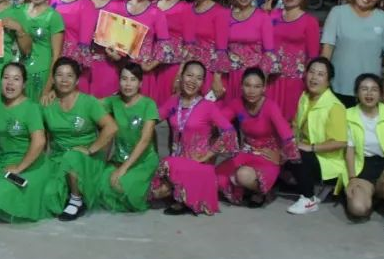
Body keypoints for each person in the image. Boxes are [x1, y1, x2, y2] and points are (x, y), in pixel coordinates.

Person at [150, 60, 237, 215]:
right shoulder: (173, 101)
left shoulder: (208, 106)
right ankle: (181, 193)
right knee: (156, 192)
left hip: (197, 165)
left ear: (203, 83)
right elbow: (153, 119)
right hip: (177, 162)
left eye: (198, 78)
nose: (193, 81)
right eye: (189, 75)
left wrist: (208, 155)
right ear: (181, 76)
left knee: (165, 165)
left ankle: (186, 196)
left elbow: (229, 132)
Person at [0, 62, 65, 222]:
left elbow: (39, 142)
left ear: (24, 84)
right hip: (3, 159)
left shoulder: (31, 108)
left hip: (30, 163)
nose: (10, 83)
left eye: (16, 79)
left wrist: (19, 168)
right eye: (6, 78)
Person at [43, 57, 117, 221]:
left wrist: (90, 149)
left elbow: (111, 127)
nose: (64, 80)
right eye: (59, 75)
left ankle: (77, 200)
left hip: (86, 159)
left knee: (72, 157)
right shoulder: (47, 103)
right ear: (53, 79)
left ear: (77, 80)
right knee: (49, 196)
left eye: (69, 75)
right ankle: (69, 191)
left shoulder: (88, 102)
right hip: (58, 158)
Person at [215, 67, 299, 206]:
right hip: (246, 153)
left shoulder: (270, 107)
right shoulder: (237, 103)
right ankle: (247, 189)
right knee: (216, 178)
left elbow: (286, 133)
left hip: (267, 156)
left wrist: (282, 156)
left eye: (257, 86)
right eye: (247, 85)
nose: (251, 91)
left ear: (264, 88)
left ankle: (263, 191)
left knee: (242, 175)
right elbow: (218, 119)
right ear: (241, 86)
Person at [340, 73, 384, 234]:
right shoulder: (348, 114)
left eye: (374, 89)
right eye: (364, 89)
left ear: (380, 94)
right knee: (358, 210)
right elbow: (349, 149)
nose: (369, 93)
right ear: (357, 93)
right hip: (362, 167)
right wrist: (352, 178)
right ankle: (372, 197)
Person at [320, 0, 384, 107]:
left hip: (369, 91)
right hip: (338, 86)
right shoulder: (337, 13)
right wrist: (322, 80)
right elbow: (327, 49)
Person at [284, 57, 348, 215]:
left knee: (300, 154)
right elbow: (295, 125)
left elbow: (340, 142)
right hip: (307, 152)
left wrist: (310, 147)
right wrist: (288, 143)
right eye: (311, 72)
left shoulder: (335, 106)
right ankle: (319, 186)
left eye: (320, 74)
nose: (314, 77)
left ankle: (308, 199)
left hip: (328, 161)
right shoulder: (305, 97)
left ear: (328, 81)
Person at [104, 0, 171, 103]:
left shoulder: (156, 13)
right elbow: (107, 39)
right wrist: (110, 52)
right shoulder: (117, 8)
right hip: (118, 70)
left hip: (142, 75)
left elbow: (165, 47)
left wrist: (150, 66)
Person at [98, 62, 159, 213]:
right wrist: (56, 94)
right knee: (101, 185)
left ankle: (151, 189)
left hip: (143, 160)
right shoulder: (113, 102)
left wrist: (123, 169)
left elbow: (145, 140)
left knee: (124, 188)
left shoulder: (148, 104)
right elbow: (88, 103)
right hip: (119, 159)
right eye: (124, 79)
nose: (128, 84)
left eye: (133, 79)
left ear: (140, 83)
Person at [270, 0, 321, 121]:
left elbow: (313, 56)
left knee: (290, 120)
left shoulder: (309, 22)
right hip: (272, 79)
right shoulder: (273, 15)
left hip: (295, 81)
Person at [49, 0, 98, 95]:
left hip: (72, 69)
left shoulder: (86, 5)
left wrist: (67, 72)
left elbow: (84, 45)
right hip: (49, 60)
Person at [225, 0, 278, 104]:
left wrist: (260, 84)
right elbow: (220, 49)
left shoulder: (263, 17)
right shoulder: (225, 16)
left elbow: (269, 53)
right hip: (230, 77)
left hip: (252, 80)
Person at [21, 0, 65, 103]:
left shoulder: (54, 17)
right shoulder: (19, 10)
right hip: (18, 75)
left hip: (41, 75)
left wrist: (47, 89)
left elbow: (56, 56)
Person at [185, 0, 230, 97]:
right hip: (188, 71)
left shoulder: (220, 13)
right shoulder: (187, 9)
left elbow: (222, 48)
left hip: (209, 73)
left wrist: (217, 78)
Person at [151, 0, 192, 107]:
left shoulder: (185, 8)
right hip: (148, 66)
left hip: (171, 68)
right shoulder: (150, 6)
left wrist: (181, 74)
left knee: (167, 109)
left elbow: (189, 45)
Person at [87, 0, 121, 97]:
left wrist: (117, 55)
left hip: (107, 67)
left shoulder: (120, 8)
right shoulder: (82, 2)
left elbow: (122, 46)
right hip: (80, 67)